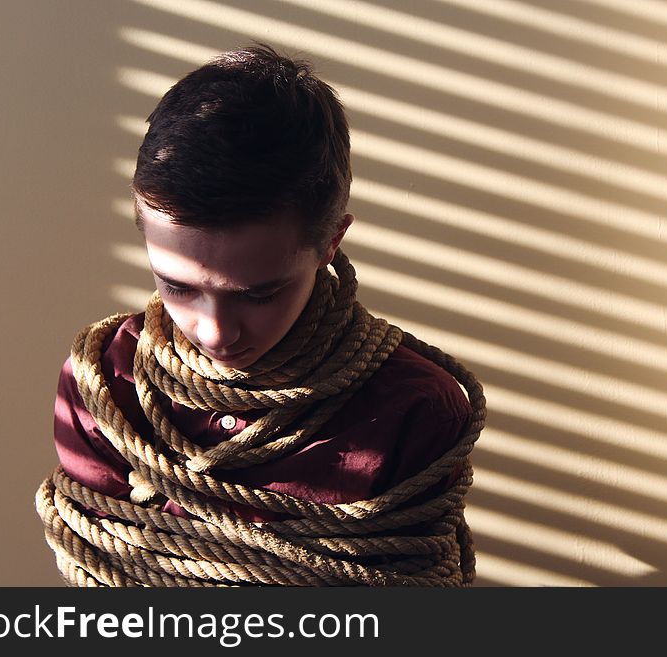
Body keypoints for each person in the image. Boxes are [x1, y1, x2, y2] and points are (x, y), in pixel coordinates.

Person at [36, 44, 485, 587]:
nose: (216, 333)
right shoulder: (107, 386)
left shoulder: (416, 408)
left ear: (329, 243)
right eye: (176, 285)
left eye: (258, 294)